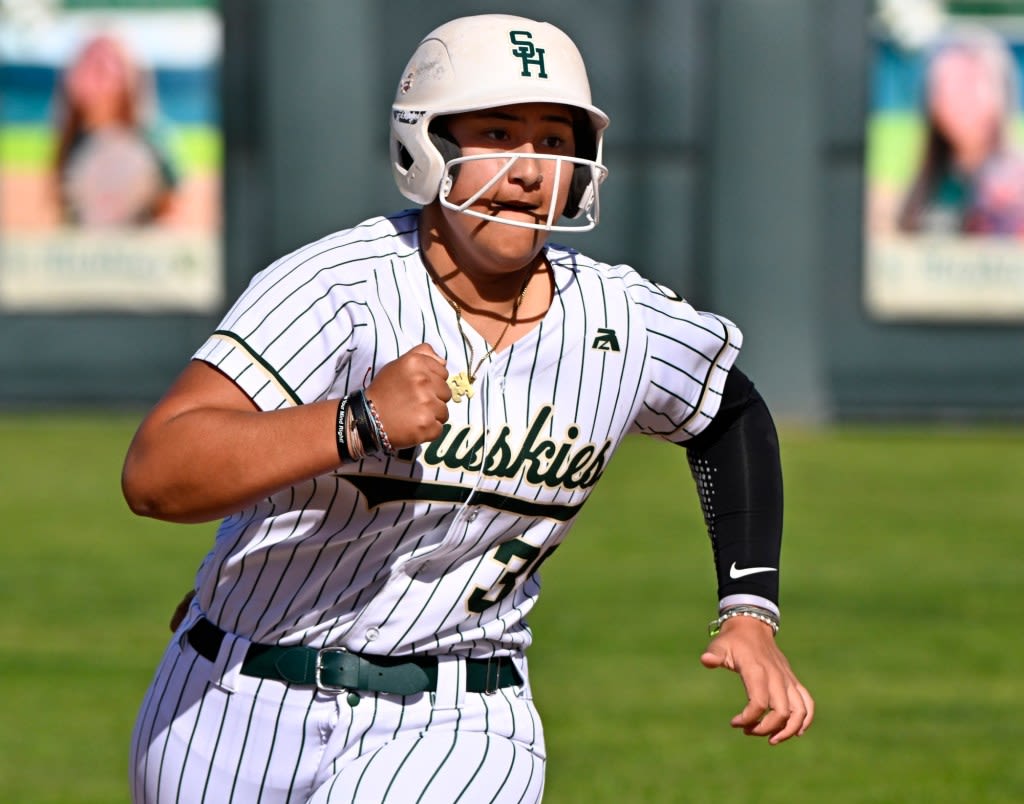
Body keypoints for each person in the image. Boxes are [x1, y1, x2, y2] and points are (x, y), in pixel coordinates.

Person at [122, 13, 814, 803]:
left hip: (462, 710)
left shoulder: (623, 319)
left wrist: (749, 607)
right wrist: (356, 423)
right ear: (427, 145)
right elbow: (156, 473)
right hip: (231, 697)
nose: (528, 169)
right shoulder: (336, 286)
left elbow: (729, 412)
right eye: (497, 133)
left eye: (555, 142)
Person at [898, 25, 1024, 236]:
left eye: (968, 83)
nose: (957, 99)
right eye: (945, 87)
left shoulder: (1016, 185)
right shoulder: (927, 187)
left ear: (999, 89)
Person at [53, 32, 177, 227]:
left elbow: (169, 206)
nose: (97, 68)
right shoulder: (68, 141)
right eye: (88, 60)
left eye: (108, 61)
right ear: (72, 78)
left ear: (129, 74)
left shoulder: (151, 138)